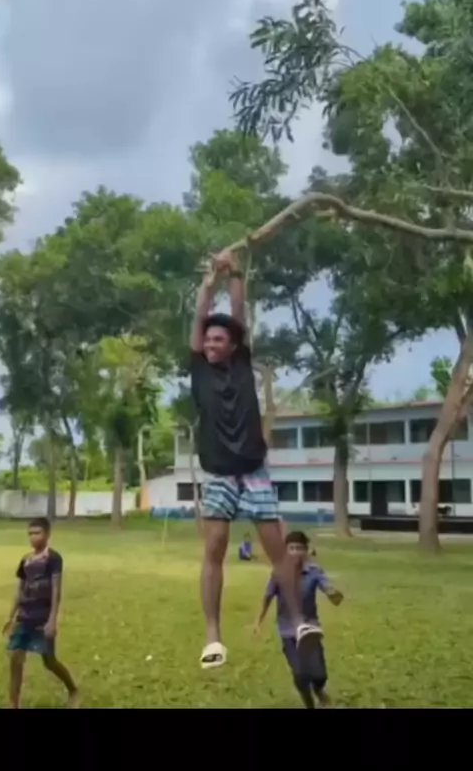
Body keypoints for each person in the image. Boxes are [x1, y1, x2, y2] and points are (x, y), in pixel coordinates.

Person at [190, 248, 321, 669]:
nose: (211, 344)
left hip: (254, 471)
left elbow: (239, 311)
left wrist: (235, 272)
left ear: (233, 346)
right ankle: (213, 636)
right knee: (214, 547)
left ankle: (299, 622)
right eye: (208, 339)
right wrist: (208, 283)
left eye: (219, 340)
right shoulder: (200, 368)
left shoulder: (242, 362)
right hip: (219, 474)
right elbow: (199, 318)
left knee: (278, 551)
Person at [254, 530, 343, 709]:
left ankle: (319, 690)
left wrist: (333, 594)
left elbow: (329, 589)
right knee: (301, 676)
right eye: (292, 548)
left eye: (299, 548)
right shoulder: (279, 573)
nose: (295, 552)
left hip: (310, 629)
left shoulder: (314, 571)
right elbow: (268, 596)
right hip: (288, 631)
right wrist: (258, 621)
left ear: (306, 550)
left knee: (319, 676)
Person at [2, 517, 79, 709]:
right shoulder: (26, 560)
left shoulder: (53, 558)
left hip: (42, 617)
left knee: (49, 661)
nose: (33, 537)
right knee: (15, 659)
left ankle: (73, 689)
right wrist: (10, 617)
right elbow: (19, 590)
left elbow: (56, 590)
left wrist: (52, 620)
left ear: (47, 534)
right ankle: (14, 704)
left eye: (37, 533)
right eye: (30, 534)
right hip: (24, 616)